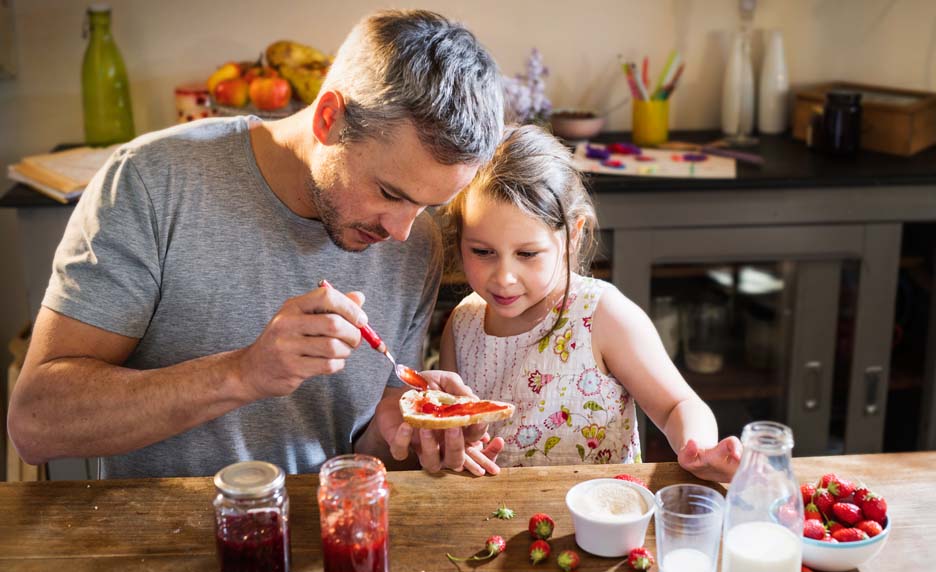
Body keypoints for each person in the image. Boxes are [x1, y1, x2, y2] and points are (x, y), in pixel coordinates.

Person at [8, 9, 505, 479]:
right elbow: (35, 423)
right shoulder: (153, 182)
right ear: (329, 117)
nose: (400, 231)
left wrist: (398, 436)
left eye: (427, 206)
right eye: (389, 193)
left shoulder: (415, 242)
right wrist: (243, 373)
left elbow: (361, 454)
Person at [439, 125, 741, 481]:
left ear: (573, 235)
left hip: (604, 522)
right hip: (497, 526)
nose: (504, 276)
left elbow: (679, 405)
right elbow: (451, 433)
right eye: (483, 251)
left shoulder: (602, 315)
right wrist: (455, 448)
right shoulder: (462, 326)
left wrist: (699, 449)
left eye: (527, 253)